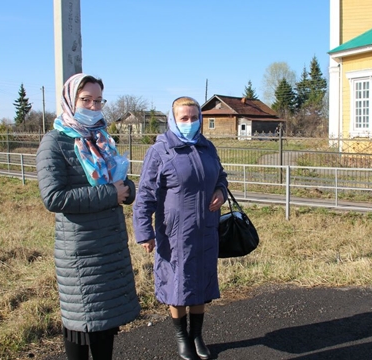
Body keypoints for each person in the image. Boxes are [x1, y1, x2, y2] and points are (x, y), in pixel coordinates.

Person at [36, 73, 140, 360]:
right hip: (81, 250)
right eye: (86, 100)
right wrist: (111, 194)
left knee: (105, 325)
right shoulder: (55, 142)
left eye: (98, 100)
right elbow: (54, 197)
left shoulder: (102, 139)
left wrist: (127, 190)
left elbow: (121, 183)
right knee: (81, 326)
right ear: (71, 100)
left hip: (109, 245)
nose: (93, 107)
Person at [133, 96, 228, 360]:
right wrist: (144, 232)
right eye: (183, 118)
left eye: (194, 117)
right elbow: (145, 195)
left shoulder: (207, 147)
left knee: (200, 284)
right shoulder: (161, 151)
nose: (189, 122)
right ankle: (181, 337)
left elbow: (221, 175)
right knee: (178, 285)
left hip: (205, 230)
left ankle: (197, 335)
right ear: (173, 119)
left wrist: (221, 190)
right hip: (175, 234)